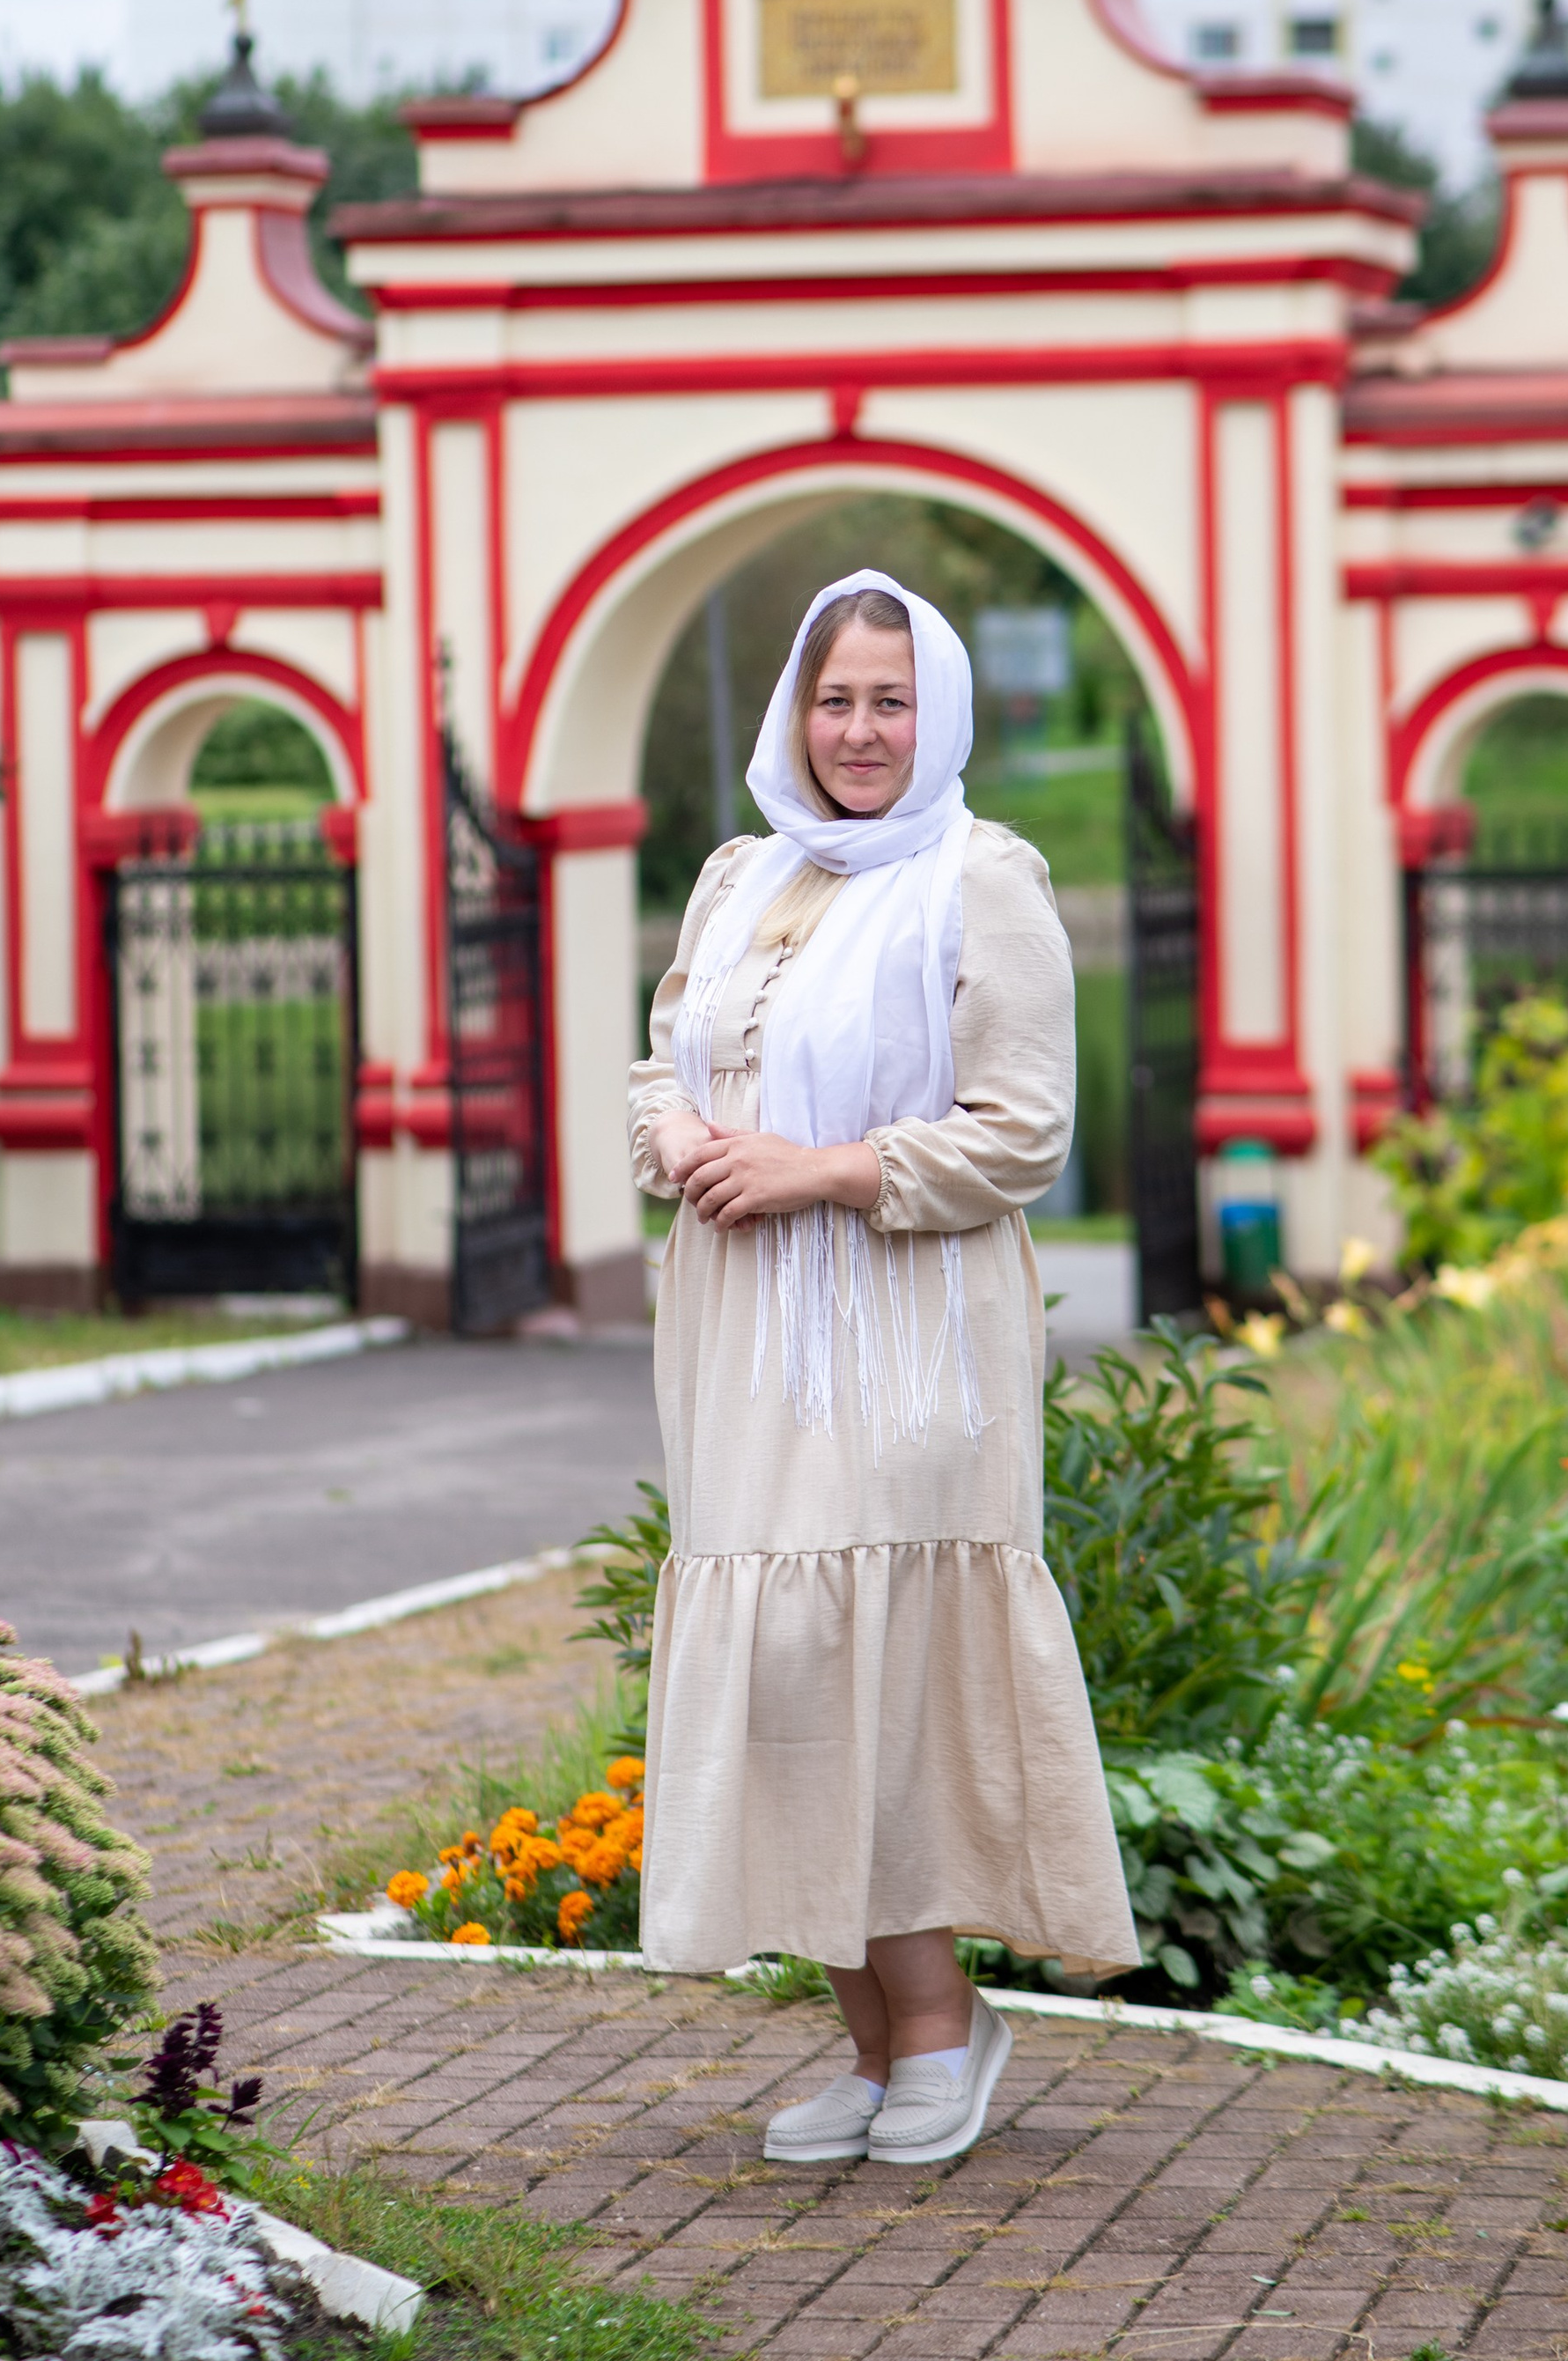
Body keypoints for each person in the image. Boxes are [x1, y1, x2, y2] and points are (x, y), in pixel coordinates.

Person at [628, 571, 1135, 2170]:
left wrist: (817, 1169)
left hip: (907, 1340)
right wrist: (684, 1135)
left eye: (891, 700)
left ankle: (940, 2027)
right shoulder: (736, 874)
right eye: (835, 698)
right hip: (741, 1336)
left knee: (879, 1667)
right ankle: (870, 2042)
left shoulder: (981, 880)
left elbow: (1026, 1133)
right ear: (798, 709)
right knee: (785, 1671)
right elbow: (666, 1051)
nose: (859, 730)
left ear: (942, 716)